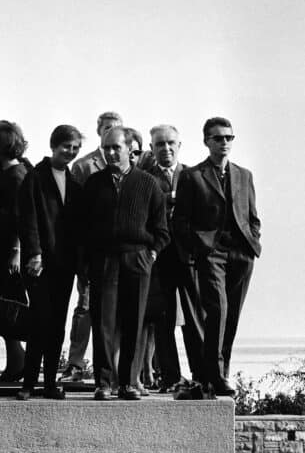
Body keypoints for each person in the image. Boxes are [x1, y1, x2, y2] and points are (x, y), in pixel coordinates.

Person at [173, 117, 260, 396]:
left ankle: (220, 373)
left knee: (231, 315)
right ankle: (214, 373)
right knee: (218, 310)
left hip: (241, 253)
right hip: (211, 254)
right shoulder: (192, 176)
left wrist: (253, 243)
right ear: (206, 141)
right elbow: (181, 221)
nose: (224, 143)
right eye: (218, 138)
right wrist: (198, 248)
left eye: (228, 138)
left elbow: (252, 217)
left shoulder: (244, 175)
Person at [82, 126, 169, 400]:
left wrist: (151, 254)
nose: (109, 153)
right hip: (104, 260)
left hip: (137, 259)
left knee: (135, 321)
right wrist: (86, 264)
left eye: (115, 148)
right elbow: (82, 227)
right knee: (103, 322)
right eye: (105, 147)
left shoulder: (148, 183)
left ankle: (129, 383)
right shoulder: (94, 184)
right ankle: (104, 383)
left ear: (129, 149)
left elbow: (162, 229)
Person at [17, 124, 84, 400]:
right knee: (40, 321)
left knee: (57, 324)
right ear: (53, 146)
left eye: (75, 148)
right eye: (66, 146)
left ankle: (49, 384)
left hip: (64, 265)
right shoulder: (34, 178)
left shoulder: (75, 184)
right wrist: (33, 254)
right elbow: (27, 219)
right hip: (39, 264)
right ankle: (28, 384)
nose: (70, 152)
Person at [141, 125, 204, 391]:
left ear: (179, 146)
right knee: (163, 319)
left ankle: (202, 374)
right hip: (160, 258)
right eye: (160, 144)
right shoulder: (144, 179)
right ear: (152, 148)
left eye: (170, 143)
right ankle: (170, 376)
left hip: (189, 256)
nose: (166, 148)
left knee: (194, 316)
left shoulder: (193, 176)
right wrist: (170, 198)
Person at [64, 110, 124, 382]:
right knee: (86, 306)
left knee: (119, 310)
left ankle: (117, 366)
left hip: (122, 252)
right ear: (99, 132)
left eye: (116, 129)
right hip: (92, 249)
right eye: (106, 129)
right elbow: (74, 211)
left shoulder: (130, 164)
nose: (111, 132)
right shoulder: (84, 166)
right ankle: (75, 363)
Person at [0, 120, 31, 381]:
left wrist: (15, 249)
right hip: (2, 250)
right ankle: (16, 360)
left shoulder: (14, 176)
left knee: (9, 308)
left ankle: (18, 360)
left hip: (8, 253)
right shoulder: (10, 173)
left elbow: (19, 216)